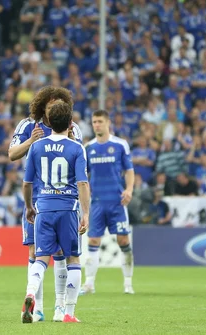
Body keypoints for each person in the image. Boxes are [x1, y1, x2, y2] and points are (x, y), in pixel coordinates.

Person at [8, 86, 83, 321]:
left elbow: (75, 158)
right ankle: (38, 308)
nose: (54, 108)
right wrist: (32, 140)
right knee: (35, 251)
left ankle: (59, 306)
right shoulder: (27, 125)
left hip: (57, 200)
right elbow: (12, 154)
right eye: (50, 104)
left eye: (59, 104)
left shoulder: (73, 128)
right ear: (43, 106)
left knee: (59, 252)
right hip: (36, 199)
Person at [81, 110, 135, 295]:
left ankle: (128, 283)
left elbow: (129, 170)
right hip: (96, 202)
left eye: (100, 121)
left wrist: (129, 190)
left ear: (108, 122)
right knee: (93, 240)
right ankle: (89, 284)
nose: (96, 124)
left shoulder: (120, 145)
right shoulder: (88, 148)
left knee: (123, 240)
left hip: (116, 202)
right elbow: (83, 177)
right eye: (94, 121)